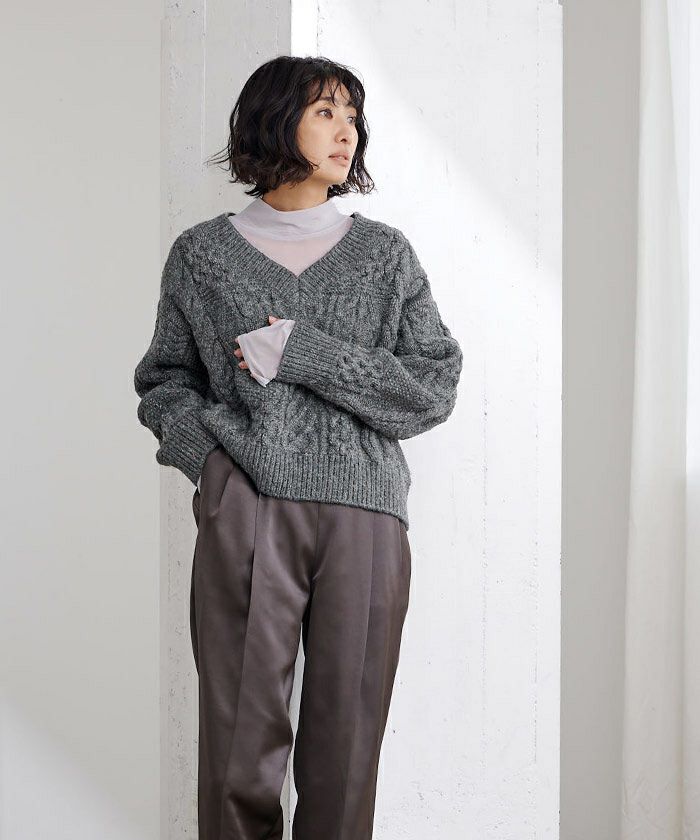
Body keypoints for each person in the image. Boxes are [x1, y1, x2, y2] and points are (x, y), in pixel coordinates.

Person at [134, 54, 463, 840]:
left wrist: (303, 352)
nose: (346, 130)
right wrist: (215, 468)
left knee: (344, 753)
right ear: (274, 119)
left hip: (366, 514)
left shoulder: (384, 255)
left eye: (352, 115)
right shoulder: (202, 256)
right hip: (248, 507)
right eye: (325, 112)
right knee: (238, 752)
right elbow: (165, 382)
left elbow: (433, 385)